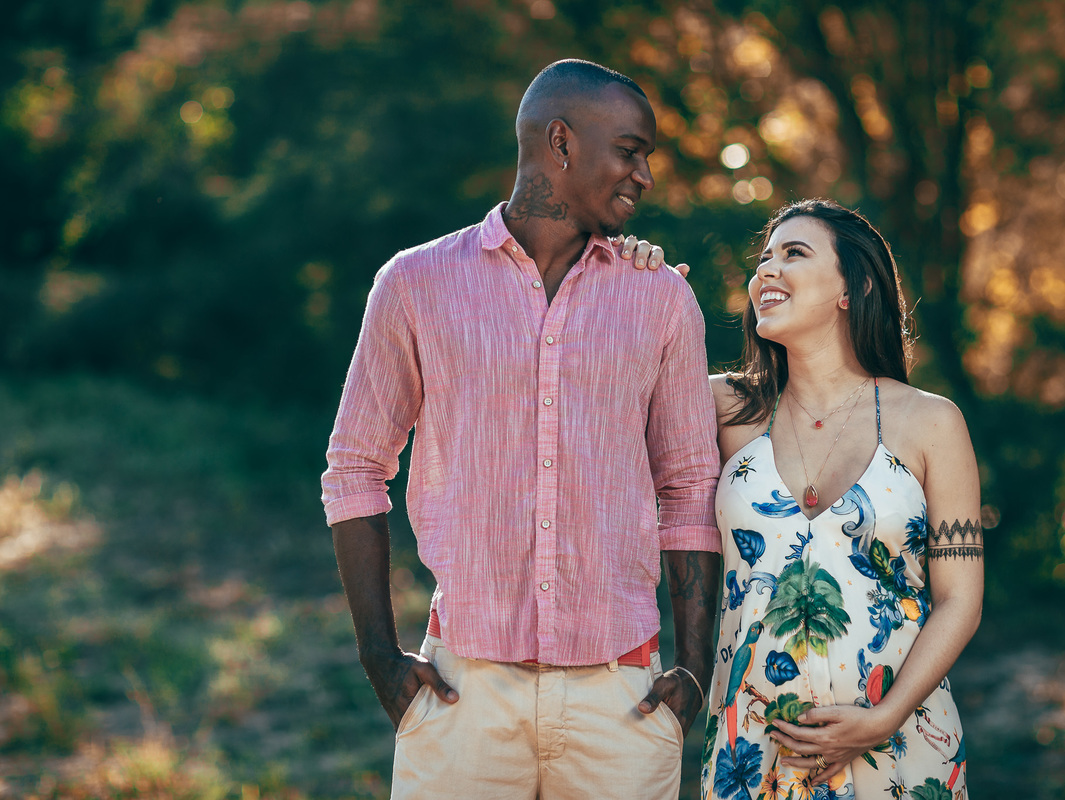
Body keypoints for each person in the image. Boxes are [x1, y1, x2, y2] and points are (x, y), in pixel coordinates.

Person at [320, 59, 722, 799]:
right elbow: (354, 467)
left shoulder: (661, 298)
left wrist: (694, 670)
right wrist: (379, 657)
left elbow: (690, 486)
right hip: (460, 699)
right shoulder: (415, 283)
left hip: (622, 703)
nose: (644, 176)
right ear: (561, 142)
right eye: (629, 151)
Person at [633, 198, 982, 799]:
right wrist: (634, 288)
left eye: (794, 253)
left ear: (855, 286)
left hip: (900, 745)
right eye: (763, 259)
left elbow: (959, 600)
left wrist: (884, 717)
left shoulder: (932, 422)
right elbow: (599, 409)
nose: (766, 270)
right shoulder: (720, 407)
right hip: (752, 749)